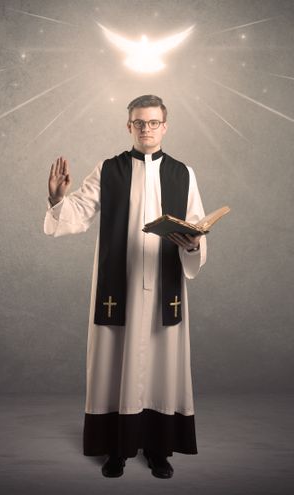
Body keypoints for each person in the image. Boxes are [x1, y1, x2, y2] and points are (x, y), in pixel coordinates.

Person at [43, 95, 207, 479]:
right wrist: (56, 197)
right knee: (115, 362)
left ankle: (159, 449)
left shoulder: (183, 173)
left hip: (165, 285)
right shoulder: (109, 169)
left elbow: (197, 223)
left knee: (163, 367)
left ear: (165, 126)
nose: (146, 128)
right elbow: (78, 213)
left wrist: (194, 242)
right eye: (138, 122)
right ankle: (116, 449)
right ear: (128, 126)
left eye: (153, 122)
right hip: (121, 286)